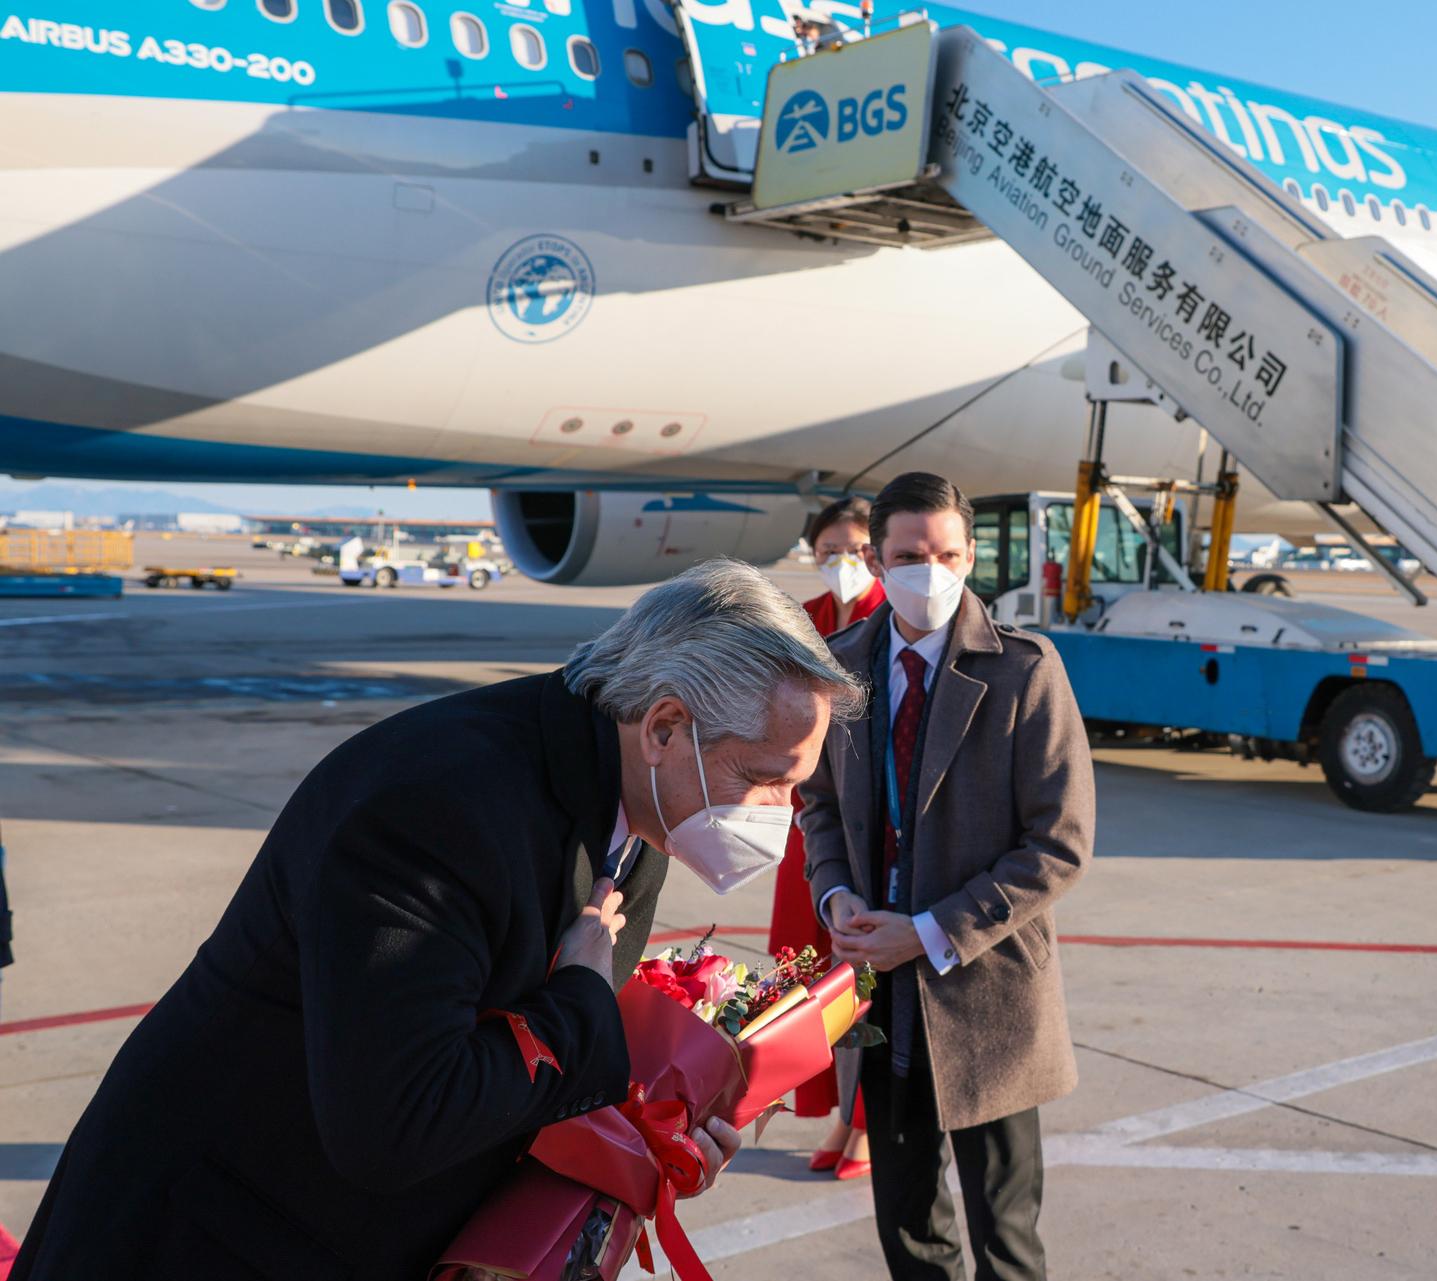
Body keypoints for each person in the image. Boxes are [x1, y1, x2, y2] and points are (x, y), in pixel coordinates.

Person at [14, 559, 864, 1280]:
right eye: (765, 777)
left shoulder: (630, 799)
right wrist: (577, 1008)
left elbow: (538, 1060)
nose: (779, 814)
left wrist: (652, 1132)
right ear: (667, 726)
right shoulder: (436, 808)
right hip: (219, 1236)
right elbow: (398, 1121)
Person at [799, 471, 1094, 1281]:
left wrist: (926, 932)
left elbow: (1059, 843)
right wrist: (836, 894)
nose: (928, 570)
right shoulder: (841, 664)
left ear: (968, 558)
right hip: (882, 995)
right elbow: (817, 804)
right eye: (908, 554)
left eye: (945, 553)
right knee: (908, 1229)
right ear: (878, 559)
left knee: (1006, 1236)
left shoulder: (1023, 671)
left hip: (986, 990)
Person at [769, 495, 888, 1180]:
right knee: (805, 969)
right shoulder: (805, 619)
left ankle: (862, 1119)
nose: (844, 563)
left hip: (866, 818)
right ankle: (832, 1102)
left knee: (863, 974)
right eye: (829, 552)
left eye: (857, 550)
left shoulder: (885, 617)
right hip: (807, 814)